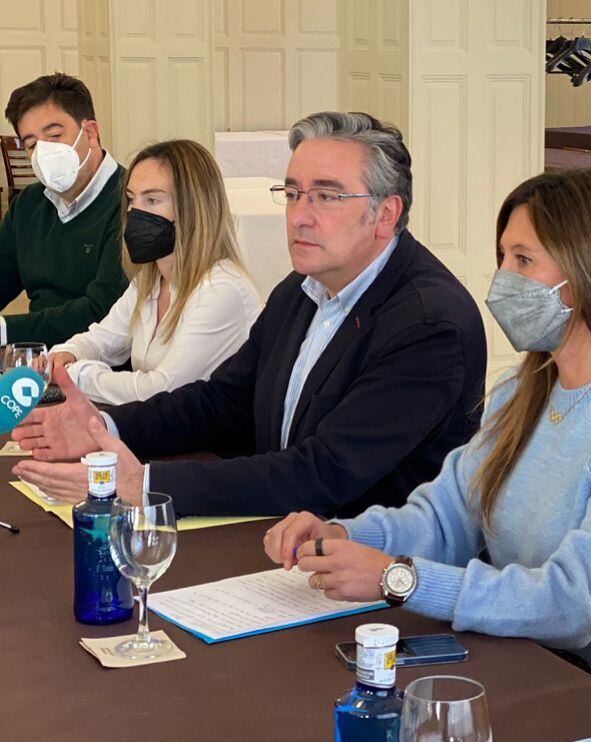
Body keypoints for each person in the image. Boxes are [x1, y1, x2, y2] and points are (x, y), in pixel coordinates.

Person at [262, 169, 591, 695]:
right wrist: (345, 535)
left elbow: (573, 605)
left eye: (523, 260)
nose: (501, 278)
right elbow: (447, 517)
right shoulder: (522, 388)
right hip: (517, 661)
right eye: (503, 256)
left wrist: (399, 578)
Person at [12, 111, 487, 519]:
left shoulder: (428, 323)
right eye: (294, 193)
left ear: (386, 214)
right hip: (281, 537)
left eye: (326, 196)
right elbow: (222, 403)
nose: (300, 215)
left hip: (375, 574)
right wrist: (105, 428)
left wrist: (146, 483)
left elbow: (323, 472)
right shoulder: (301, 290)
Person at [48, 139, 261, 405]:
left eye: (152, 199)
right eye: (131, 199)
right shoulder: (148, 281)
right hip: (164, 434)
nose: (134, 212)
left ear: (192, 208)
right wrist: (68, 353)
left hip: (216, 443)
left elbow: (163, 390)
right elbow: (101, 340)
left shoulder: (222, 289)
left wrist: (77, 375)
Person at [0, 73, 127, 345]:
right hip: (37, 363)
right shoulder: (27, 205)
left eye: (55, 135)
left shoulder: (130, 202)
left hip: (102, 368)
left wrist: (4, 330)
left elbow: (102, 311)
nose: (44, 151)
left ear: (90, 133)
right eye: (32, 144)